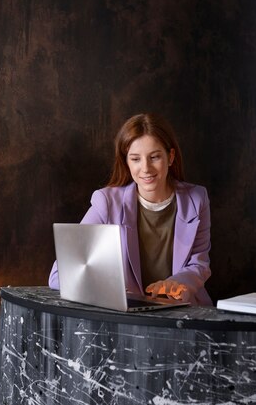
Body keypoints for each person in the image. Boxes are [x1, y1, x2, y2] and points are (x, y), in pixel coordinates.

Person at [48, 113, 213, 306]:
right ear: (126, 162)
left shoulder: (197, 198)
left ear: (170, 156)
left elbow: (199, 264)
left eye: (154, 157)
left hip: (184, 312)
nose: (146, 168)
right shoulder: (106, 202)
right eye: (135, 159)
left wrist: (177, 284)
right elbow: (60, 274)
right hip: (128, 317)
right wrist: (109, 289)